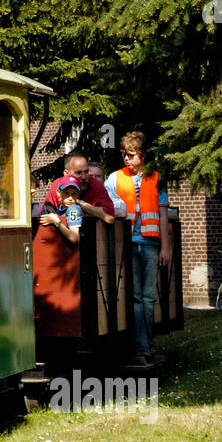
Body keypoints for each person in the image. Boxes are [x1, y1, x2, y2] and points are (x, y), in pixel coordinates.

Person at [105, 132, 171, 366]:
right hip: (128, 245)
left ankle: (148, 347)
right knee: (135, 298)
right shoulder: (114, 179)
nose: (126, 158)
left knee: (148, 298)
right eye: (124, 154)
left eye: (131, 155)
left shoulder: (156, 177)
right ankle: (143, 348)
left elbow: (163, 214)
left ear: (142, 156)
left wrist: (167, 247)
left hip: (151, 244)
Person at [43, 153, 115, 223]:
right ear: (66, 173)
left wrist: (80, 204)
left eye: (86, 172)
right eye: (78, 173)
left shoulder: (96, 186)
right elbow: (46, 212)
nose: (84, 177)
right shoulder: (58, 185)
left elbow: (109, 216)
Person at [38, 175, 84, 245]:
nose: (70, 198)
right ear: (58, 192)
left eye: (74, 194)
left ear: (78, 194)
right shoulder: (61, 207)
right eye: (67, 193)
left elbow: (73, 238)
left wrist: (56, 221)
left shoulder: (73, 209)